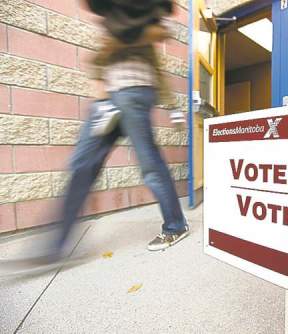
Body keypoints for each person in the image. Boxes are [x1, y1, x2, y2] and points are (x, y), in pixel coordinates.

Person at [54, 0, 189, 255]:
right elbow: (96, 62)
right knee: (82, 164)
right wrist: (101, 95)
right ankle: (56, 245)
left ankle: (175, 225)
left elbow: (160, 49)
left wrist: (173, 108)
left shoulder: (141, 18)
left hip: (134, 92)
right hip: (107, 99)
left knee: (150, 166)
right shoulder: (113, 19)